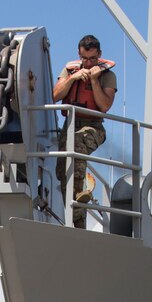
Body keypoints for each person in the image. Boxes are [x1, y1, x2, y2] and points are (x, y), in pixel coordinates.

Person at [52, 34, 117, 229]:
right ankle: (74, 219)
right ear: (79, 55)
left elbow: (104, 105)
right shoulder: (70, 70)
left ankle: (78, 220)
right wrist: (72, 78)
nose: (88, 64)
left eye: (92, 59)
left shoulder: (108, 75)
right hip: (70, 124)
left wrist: (95, 81)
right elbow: (55, 95)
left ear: (100, 55)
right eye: (84, 59)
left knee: (77, 146)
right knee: (62, 170)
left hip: (93, 127)